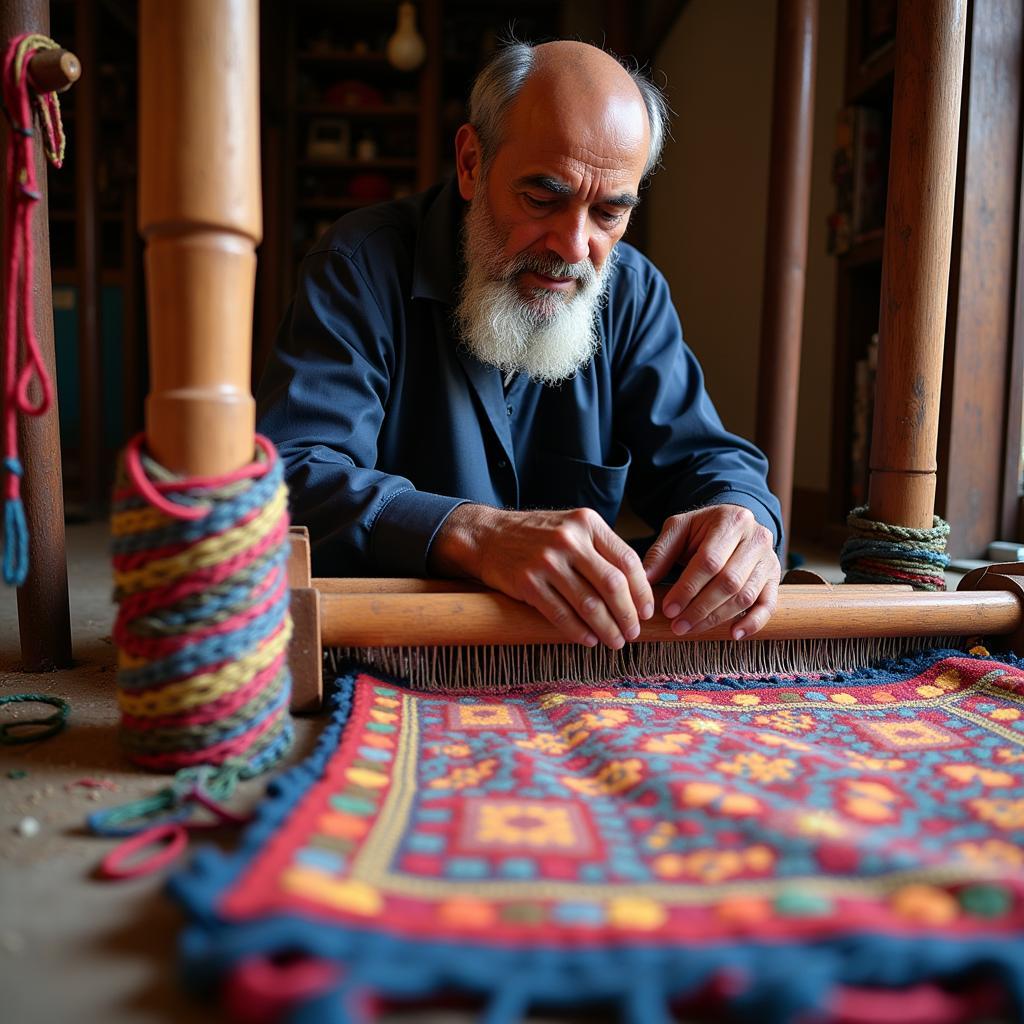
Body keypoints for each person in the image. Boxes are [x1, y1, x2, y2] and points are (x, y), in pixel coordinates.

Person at [257, 39, 783, 651]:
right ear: (471, 163)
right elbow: (291, 477)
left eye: (609, 214)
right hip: (413, 651)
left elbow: (708, 460)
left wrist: (742, 517)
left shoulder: (633, 290)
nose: (573, 246)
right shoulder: (360, 266)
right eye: (542, 199)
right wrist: (474, 533)